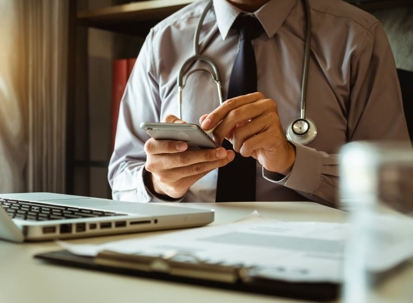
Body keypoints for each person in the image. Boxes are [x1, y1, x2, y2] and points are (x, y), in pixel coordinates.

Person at [108, 0, 410, 207]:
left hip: (307, 260)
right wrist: (156, 183)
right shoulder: (162, 40)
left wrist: (293, 162)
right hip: (185, 254)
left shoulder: (357, 37)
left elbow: (397, 190)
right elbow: (122, 177)